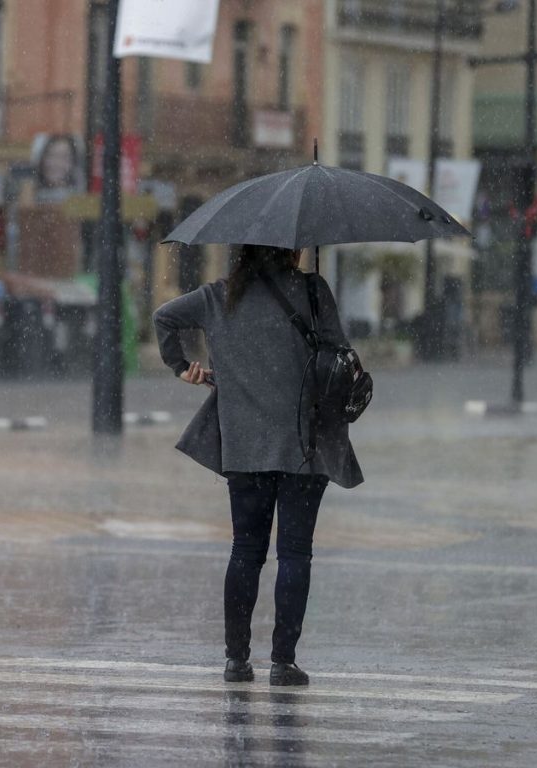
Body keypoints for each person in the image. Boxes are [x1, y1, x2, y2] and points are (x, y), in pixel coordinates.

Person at [152, 244, 363, 687]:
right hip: (304, 445)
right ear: (292, 248)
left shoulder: (220, 295)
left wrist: (182, 367)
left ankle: (236, 659)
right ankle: (283, 662)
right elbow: (340, 357)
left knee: (246, 551)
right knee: (295, 553)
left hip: (244, 448)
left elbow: (164, 317)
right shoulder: (312, 290)